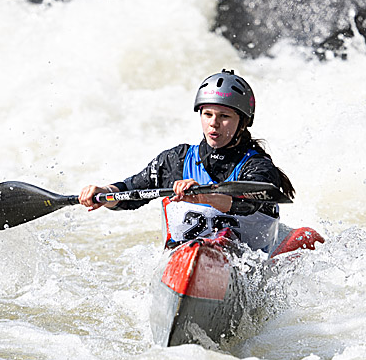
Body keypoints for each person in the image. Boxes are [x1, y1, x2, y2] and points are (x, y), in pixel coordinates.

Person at [78, 70, 295, 250]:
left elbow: (246, 204)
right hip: (187, 260)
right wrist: (105, 193)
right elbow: (130, 192)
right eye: (207, 114)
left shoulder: (258, 167)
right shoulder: (177, 160)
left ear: (243, 121)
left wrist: (203, 195)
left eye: (224, 116)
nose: (214, 124)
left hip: (244, 265)